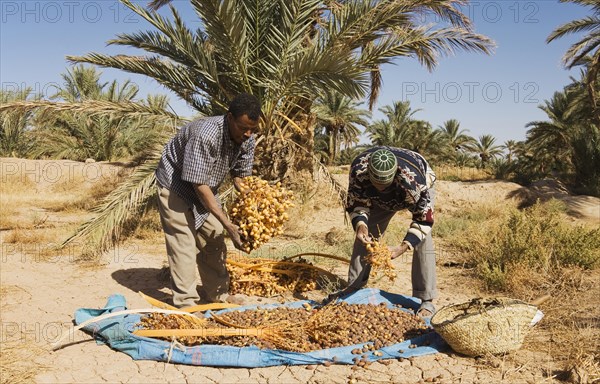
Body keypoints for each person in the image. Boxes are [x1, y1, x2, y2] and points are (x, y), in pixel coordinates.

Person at [155, 93, 261, 308]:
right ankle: (186, 303)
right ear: (230, 118)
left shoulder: (247, 137)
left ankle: (218, 295)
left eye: (253, 129)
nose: (248, 134)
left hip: (206, 187)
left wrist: (250, 197)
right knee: (183, 243)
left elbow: (240, 174)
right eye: (243, 128)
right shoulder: (206, 134)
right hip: (176, 186)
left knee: (214, 238)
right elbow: (198, 184)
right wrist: (228, 223)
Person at [338, 146, 437, 316]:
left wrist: (402, 247)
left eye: (384, 184)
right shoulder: (359, 171)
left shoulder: (414, 183)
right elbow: (357, 203)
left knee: (422, 240)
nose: (381, 188)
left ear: (394, 176)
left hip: (406, 191)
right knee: (365, 236)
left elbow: (423, 220)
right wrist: (361, 225)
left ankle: (426, 299)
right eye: (377, 184)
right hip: (378, 201)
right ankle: (354, 286)